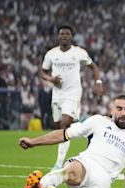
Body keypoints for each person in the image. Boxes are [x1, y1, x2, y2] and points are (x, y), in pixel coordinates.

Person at [13, 94, 125, 188]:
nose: (122, 113)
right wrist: (33, 142)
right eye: (119, 108)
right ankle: (40, 185)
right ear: (112, 110)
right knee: (71, 170)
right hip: (87, 164)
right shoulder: (98, 121)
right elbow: (65, 134)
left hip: (102, 184)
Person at [39, 25, 104, 170]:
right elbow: (42, 72)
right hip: (57, 94)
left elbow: (94, 67)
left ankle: (58, 164)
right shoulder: (51, 54)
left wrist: (98, 82)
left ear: (71, 36)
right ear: (58, 36)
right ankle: (80, 126)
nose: (64, 36)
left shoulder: (79, 52)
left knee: (64, 125)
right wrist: (51, 79)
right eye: (62, 34)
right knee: (58, 128)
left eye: (67, 34)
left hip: (72, 94)